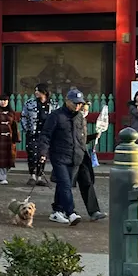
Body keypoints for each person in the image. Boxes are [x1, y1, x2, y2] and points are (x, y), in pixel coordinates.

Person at [36, 87, 85, 225]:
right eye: (75, 103)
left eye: (80, 103)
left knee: (64, 185)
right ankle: (71, 212)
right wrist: (43, 152)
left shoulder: (80, 117)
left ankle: (57, 210)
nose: (78, 106)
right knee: (65, 184)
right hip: (59, 155)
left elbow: (81, 136)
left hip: (75, 156)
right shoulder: (56, 116)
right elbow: (45, 135)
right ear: (67, 101)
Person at [72, 97, 105, 221]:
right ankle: (61, 208)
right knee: (67, 184)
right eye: (84, 109)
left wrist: (93, 136)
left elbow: (82, 139)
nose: (85, 112)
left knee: (87, 181)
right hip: (71, 155)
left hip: (82, 154)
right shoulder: (72, 119)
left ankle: (94, 211)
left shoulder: (83, 121)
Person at [21, 84, 52, 187]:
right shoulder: (29, 103)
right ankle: (32, 175)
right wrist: (27, 129)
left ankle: (39, 176)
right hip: (33, 133)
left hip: (46, 134)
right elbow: (24, 116)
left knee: (42, 155)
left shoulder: (53, 105)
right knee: (32, 154)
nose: (35, 92)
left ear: (44, 92)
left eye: (37, 90)